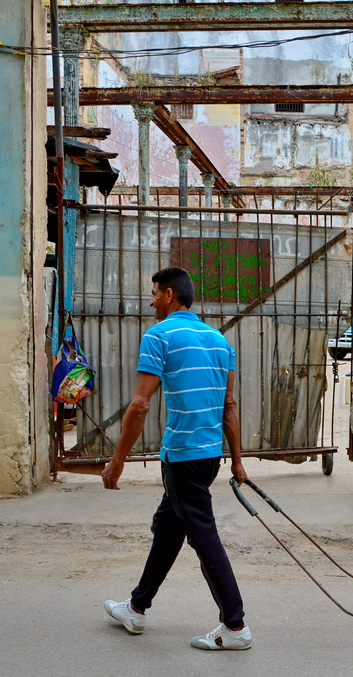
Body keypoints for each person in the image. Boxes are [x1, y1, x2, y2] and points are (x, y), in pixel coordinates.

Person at [101, 267, 251, 651]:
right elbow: (229, 406)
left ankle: (235, 627)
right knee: (168, 530)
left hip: (182, 457)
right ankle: (136, 607)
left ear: (169, 295)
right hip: (209, 457)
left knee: (204, 537)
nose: (150, 301)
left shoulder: (159, 336)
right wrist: (236, 461)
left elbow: (139, 404)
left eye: (154, 293)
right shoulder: (219, 339)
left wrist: (117, 459)